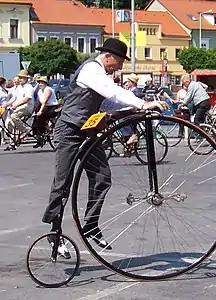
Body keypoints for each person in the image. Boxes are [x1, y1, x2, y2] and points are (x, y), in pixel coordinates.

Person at [41, 38, 169, 257]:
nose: (120, 67)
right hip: (70, 130)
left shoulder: (101, 74)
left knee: (102, 177)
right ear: (108, 56)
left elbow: (109, 102)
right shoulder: (92, 70)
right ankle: (55, 232)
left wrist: (139, 106)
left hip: (87, 129)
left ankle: (90, 225)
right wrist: (142, 104)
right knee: (63, 182)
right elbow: (112, 92)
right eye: (119, 62)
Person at [2, 70, 34, 150]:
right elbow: (14, 98)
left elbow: (27, 98)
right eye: (20, 77)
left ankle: (26, 130)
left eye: (22, 78)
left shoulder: (29, 87)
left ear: (26, 78)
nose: (20, 79)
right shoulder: (19, 87)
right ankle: (12, 143)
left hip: (27, 108)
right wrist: (6, 105)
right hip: (18, 108)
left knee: (14, 116)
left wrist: (16, 104)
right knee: (10, 123)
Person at [32, 76, 59, 148]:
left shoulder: (48, 89)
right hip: (45, 108)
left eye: (42, 83)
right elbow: (38, 102)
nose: (40, 84)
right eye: (39, 83)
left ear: (45, 83)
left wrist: (40, 112)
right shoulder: (40, 91)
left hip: (52, 108)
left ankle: (46, 130)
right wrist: (33, 111)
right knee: (35, 122)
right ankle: (39, 139)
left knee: (40, 118)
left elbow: (44, 102)